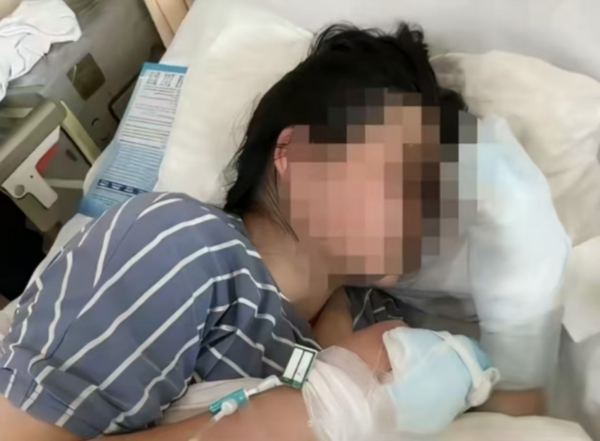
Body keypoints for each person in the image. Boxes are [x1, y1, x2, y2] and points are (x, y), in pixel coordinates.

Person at [0, 22, 566, 441]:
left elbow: (515, 425)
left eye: (433, 195)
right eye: (403, 173)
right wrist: (328, 401)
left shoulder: (384, 327)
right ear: (294, 153)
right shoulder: (180, 247)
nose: (423, 211)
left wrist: (521, 229)